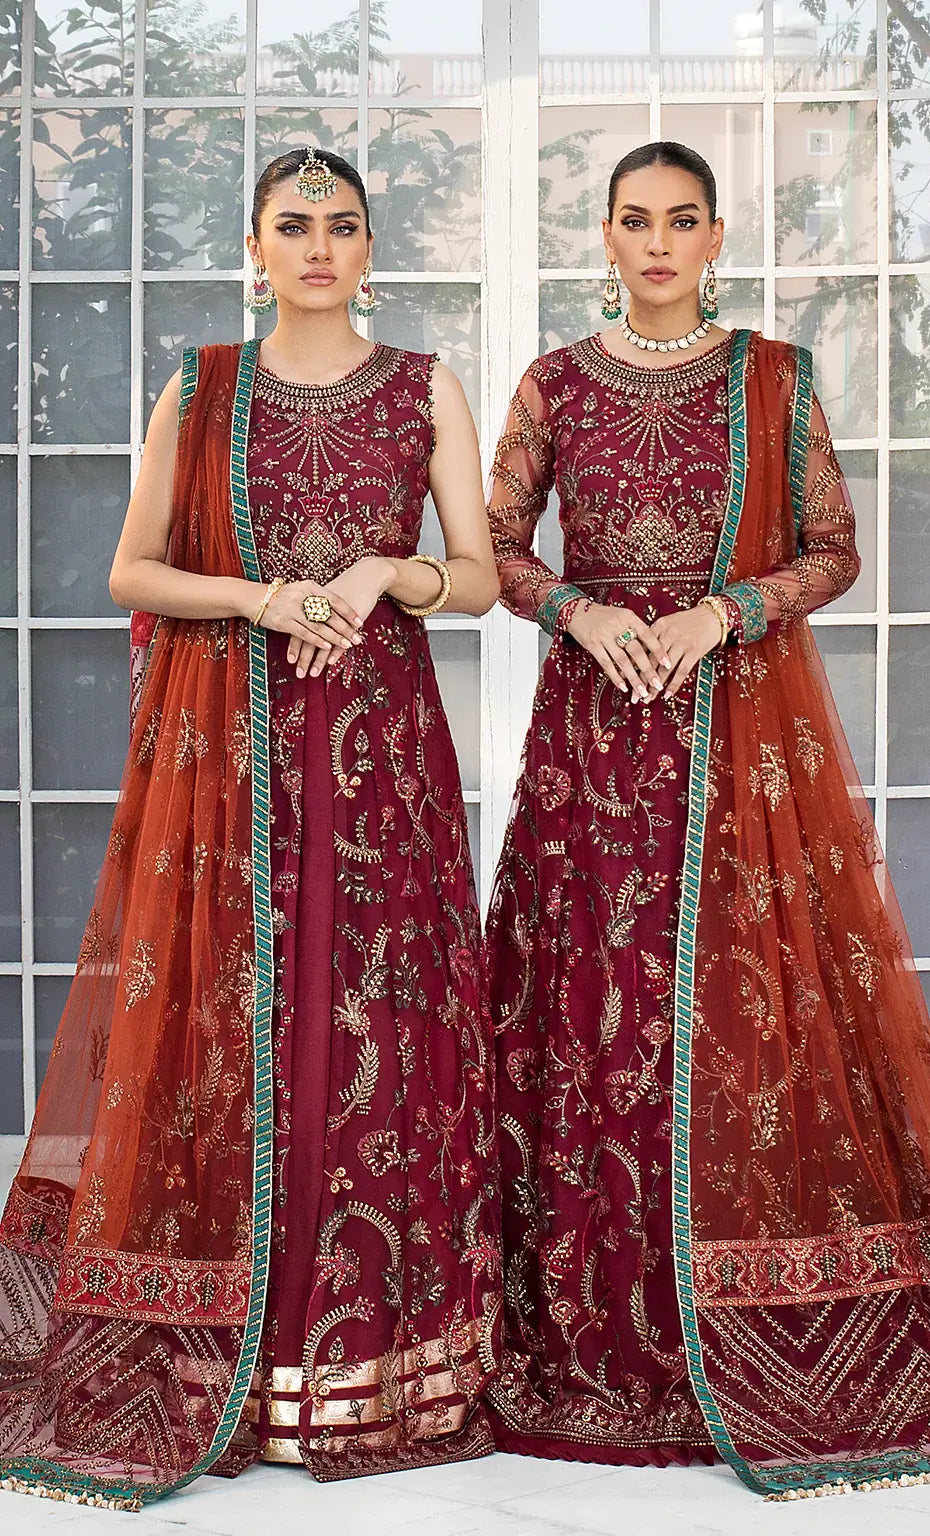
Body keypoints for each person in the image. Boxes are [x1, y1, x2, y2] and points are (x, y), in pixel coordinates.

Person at [483, 140, 930, 1499]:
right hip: (597, 733)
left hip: (739, 735)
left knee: (746, 998)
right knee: (595, 997)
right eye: (634, 220)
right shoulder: (554, 383)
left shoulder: (773, 377)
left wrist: (725, 612)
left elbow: (834, 549)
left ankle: (753, 1296)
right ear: (606, 237)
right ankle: (594, 1304)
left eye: (682, 220)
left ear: (716, 236)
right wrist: (581, 612)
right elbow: (495, 546)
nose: (658, 242)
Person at [0, 147, 501, 1510]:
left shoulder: (424, 386)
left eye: (343, 224)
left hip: (379, 751)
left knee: (370, 1019)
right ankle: (229, 1341)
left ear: (371, 248)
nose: (319, 245)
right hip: (228, 750)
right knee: (232, 1015)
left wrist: (389, 572)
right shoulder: (202, 384)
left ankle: (369, 1360)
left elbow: (479, 577)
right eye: (294, 225)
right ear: (255, 249)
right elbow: (132, 568)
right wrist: (263, 600)